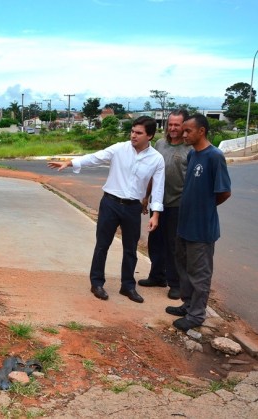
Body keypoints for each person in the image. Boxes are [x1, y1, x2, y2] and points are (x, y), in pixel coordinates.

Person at [48, 116, 165, 303]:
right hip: (110, 204)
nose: (133, 136)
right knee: (102, 244)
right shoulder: (120, 148)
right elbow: (95, 158)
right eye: (132, 131)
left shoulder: (157, 159)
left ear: (149, 136)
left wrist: (156, 214)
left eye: (139, 133)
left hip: (133, 208)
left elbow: (158, 188)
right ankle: (97, 283)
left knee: (130, 249)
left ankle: (128, 286)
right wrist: (69, 163)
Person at [165, 113, 231, 331]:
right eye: (183, 130)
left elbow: (223, 192)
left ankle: (196, 315)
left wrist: (204, 210)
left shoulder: (214, 156)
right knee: (184, 269)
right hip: (183, 225)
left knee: (199, 274)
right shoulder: (193, 155)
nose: (183, 134)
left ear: (201, 131)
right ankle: (188, 305)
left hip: (201, 230)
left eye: (187, 131)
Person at [139, 110, 191, 300]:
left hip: (178, 205)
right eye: (170, 124)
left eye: (177, 125)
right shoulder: (160, 144)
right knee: (155, 242)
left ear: (185, 125)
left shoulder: (189, 148)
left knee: (174, 246)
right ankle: (157, 276)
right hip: (158, 204)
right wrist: (146, 197)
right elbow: (154, 174)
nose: (173, 128)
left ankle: (175, 283)